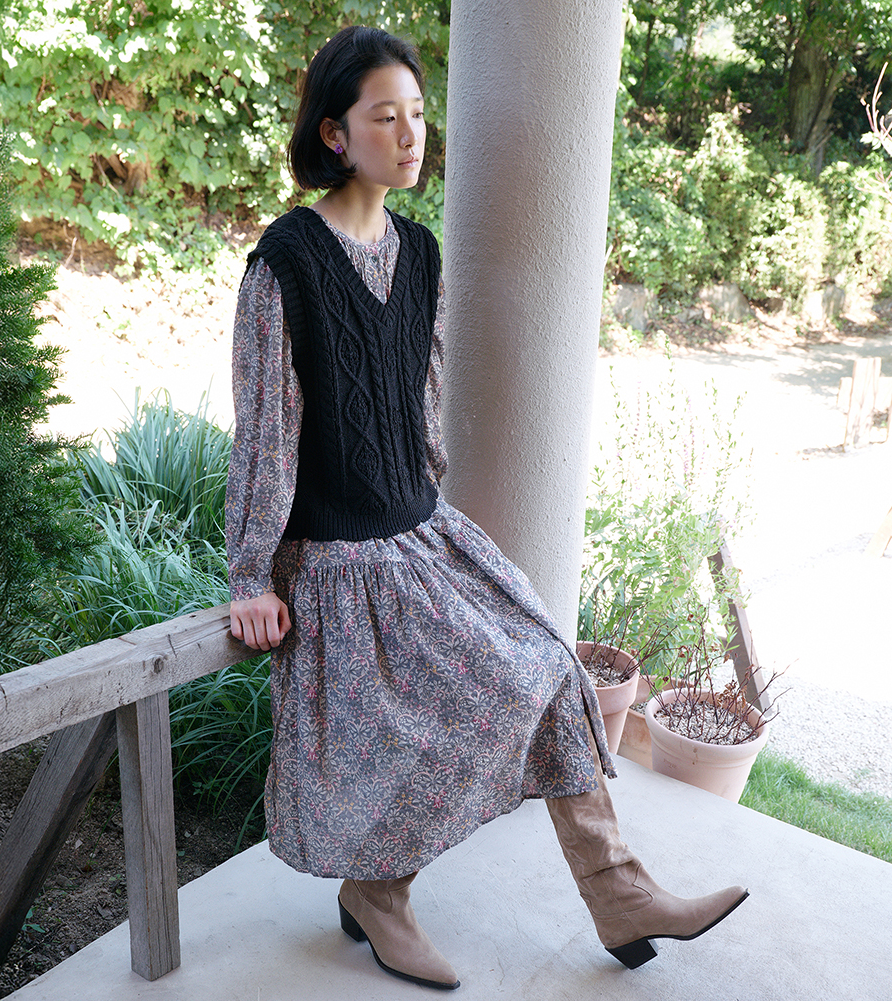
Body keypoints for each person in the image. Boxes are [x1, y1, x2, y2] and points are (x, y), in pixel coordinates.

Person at [225, 24, 748, 992]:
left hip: (420, 531)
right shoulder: (284, 262)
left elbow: (421, 403)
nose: (409, 135)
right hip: (341, 555)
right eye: (384, 117)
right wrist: (253, 571)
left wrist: (434, 520)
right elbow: (265, 430)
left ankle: (621, 893)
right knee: (490, 695)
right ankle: (378, 893)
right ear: (335, 134)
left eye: (418, 115)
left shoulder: (418, 251)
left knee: (549, 665)